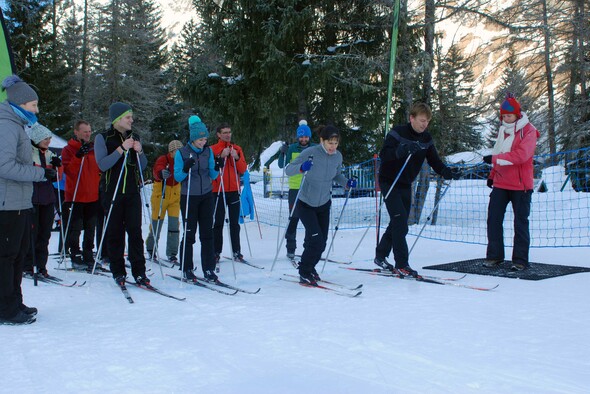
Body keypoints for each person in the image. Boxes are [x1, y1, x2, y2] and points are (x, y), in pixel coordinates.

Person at [374, 102, 462, 278]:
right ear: (411, 118)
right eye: (422, 120)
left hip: (406, 183)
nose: (424, 124)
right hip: (390, 180)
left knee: (399, 223)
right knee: (399, 221)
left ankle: (380, 255)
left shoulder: (426, 138)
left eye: (427, 121)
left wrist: (447, 172)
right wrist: (403, 150)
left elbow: (434, 161)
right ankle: (402, 264)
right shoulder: (398, 133)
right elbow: (385, 154)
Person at [0, 75, 50, 325]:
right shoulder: (6, 125)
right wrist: (40, 173)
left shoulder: (17, 124)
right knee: (6, 257)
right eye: (33, 105)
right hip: (6, 204)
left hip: (19, 202)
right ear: (19, 104)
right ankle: (5, 309)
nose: (36, 110)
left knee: (17, 256)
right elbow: (4, 166)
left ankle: (14, 302)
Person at [285, 125, 355, 285]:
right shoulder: (310, 153)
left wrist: (346, 183)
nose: (333, 147)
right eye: (330, 143)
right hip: (306, 203)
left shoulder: (337, 157)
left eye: (336, 143)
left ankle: (310, 267)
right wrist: (302, 168)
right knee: (316, 240)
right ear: (322, 141)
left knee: (321, 242)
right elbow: (289, 170)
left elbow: (337, 175)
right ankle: (304, 271)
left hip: (323, 203)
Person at [94, 102, 149, 286]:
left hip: (132, 192)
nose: (131, 120)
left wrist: (139, 152)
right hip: (113, 193)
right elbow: (102, 164)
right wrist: (121, 149)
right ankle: (118, 271)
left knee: (135, 232)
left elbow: (142, 167)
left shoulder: (135, 137)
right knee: (115, 233)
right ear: (117, 119)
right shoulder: (103, 138)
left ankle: (139, 272)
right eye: (128, 117)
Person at [482, 93, 539, 271]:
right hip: (501, 182)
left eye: (509, 115)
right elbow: (498, 151)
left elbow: (521, 155)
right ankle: (495, 256)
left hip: (521, 185)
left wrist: (494, 160)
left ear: (517, 114)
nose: (506, 119)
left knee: (520, 222)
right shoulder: (503, 131)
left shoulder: (529, 131)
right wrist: (492, 174)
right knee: (493, 219)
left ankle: (520, 260)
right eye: (504, 116)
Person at [174, 116, 219, 282]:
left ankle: (209, 269)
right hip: (189, 197)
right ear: (193, 138)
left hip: (206, 195)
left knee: (207, 233)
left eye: (205, 138)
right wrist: (185, 168)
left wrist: (217, 166)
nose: (203, 142)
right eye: (201, 139)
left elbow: (213, 174)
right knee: (189, 233)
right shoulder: (182, 153)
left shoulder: (208, 151)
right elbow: (178, 177)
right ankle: (186, 267)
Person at [61, 120, 101, 270]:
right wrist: (78, 156)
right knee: (75, 228)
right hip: (75, 195)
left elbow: (100, 169)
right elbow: (69, 172)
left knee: (91, 227)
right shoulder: (68, 149)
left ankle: (88, 253)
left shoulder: (93, 149)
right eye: (85, 131)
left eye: (89, 131)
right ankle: (75, 254)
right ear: (76, 132)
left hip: (92, 195)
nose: (88, 134)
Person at [23, 123, 60, 278]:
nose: (48, 141)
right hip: (32, 198)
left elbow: (57, 176)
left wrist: (57, 167)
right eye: (45, 138)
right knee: (32, 234)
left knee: (45, 234)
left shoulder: (49, 154)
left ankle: (41, 266)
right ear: (37, 138)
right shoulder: (28, 153)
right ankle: (28, 266)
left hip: (47, 198)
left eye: (50, 138)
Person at [278, 120, 317, 261]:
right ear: (297, 137)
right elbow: (282, 164)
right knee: (293, 218)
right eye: (301, 137)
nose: (303, 139)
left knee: (310, 219)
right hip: (295, 188)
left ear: (309, 136)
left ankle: (309, 247)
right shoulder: (292, 148)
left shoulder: (314, 148)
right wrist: (282, 153)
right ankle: (290, 248)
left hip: (310, 187)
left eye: (306, 137)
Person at [210, 122, 248, 264]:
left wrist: (236, 157)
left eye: (229, 132)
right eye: (224, 132)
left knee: (234, 223)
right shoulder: (213, 149)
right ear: (219, 134)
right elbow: (211, 168)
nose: (227, 135)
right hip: (218, 190)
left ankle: (236, 251)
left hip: (233, 190)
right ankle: (216, 251)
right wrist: (220, 156)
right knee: (218, 222)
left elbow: (243, 169)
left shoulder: (236, 149)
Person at [145, 140, 183, 264]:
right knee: (157, 222)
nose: (178, 154)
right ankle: (151, 248)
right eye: (176, 151)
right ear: (171, 151)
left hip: (175, 194)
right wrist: (161, 173)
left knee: (174, 224)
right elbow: (157, 169)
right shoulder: (164, 159)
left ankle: (172, 252)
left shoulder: (181, 160)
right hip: (161, 193)